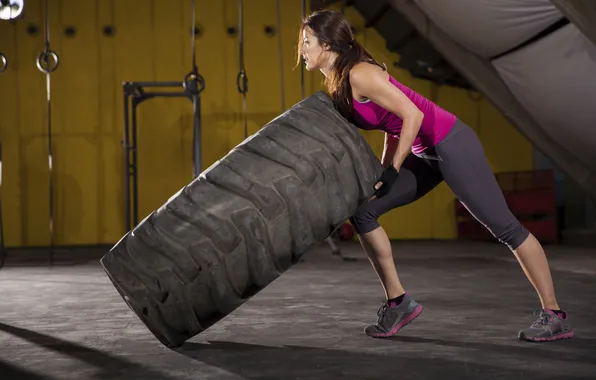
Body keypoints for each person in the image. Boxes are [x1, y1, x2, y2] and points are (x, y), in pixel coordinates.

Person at [297, 9, 574, 342]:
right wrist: (383, 171)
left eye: (306, 41)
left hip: (451, 143)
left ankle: (555, 315)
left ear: (326, 45)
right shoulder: (340, 79)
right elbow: (392, 124)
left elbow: (412, 115)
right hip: (423, 154)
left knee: (506, 228)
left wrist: (394, 169)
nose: (302, 49)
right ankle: (399, 303)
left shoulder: (360, 75)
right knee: (364, 212)